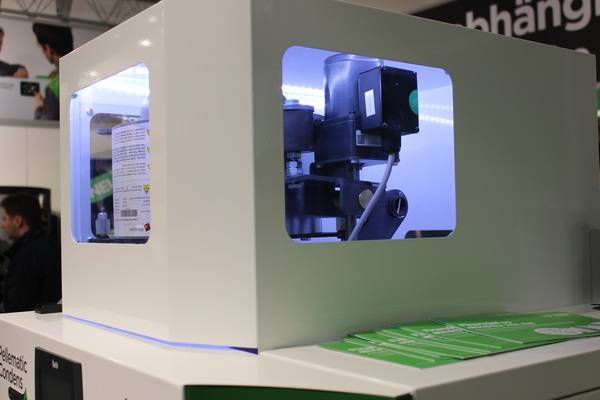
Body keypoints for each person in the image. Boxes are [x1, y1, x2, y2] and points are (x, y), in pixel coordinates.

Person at [0, 194, 60, 313]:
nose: (2, 225)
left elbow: (17, 306)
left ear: (18, 221)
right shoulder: (52, 245)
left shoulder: (24, 255)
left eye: (5, 219)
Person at [32, 23, 73, 120]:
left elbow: (45, 125)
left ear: (48, 48)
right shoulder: (86, 72)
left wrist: (39, 107)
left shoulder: (54, 87)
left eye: (41, 48)